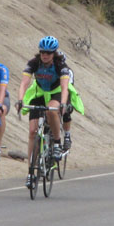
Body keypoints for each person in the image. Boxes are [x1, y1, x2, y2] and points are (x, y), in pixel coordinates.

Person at [16, 36, 75, 176]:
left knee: (51, 112)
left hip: (56, 92)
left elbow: (65, 87)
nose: (45, 55)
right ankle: (30, 171)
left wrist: (62, 104)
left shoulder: (61, 65)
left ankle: (56, 143)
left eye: (48, 53)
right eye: (42, 52)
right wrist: (20, 100)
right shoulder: (34, 63)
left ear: (54, 53)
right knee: (32, 132)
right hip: (40, 92)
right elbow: (24, 82)